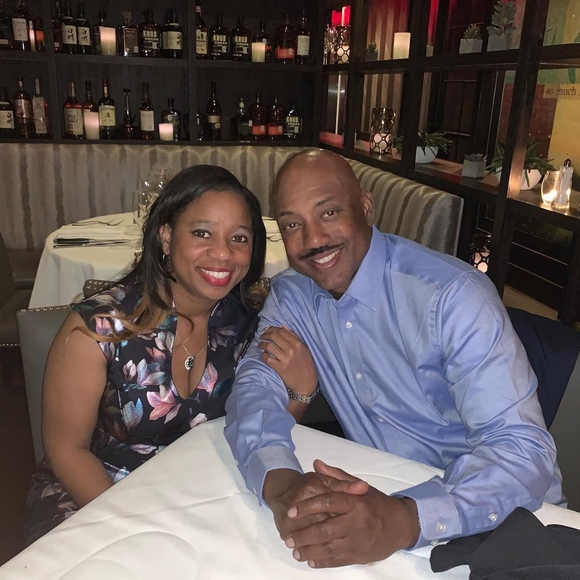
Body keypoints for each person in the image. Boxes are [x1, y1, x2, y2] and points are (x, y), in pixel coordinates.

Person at [224, 149, 565, 568]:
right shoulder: (293, 296)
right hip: (381, 495)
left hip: (507, 519)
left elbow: (523, 453)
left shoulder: (452, 297)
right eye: (293, 224)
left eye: (329, 212)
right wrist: (280, 482)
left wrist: (404, 518)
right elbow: (256, 386)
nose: (312, 240)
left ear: (366, 207)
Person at [24, 165, 315, 546]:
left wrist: (301, 391)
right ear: (165, 236)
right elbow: (66, 451)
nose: (223, 253)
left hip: (197, 496)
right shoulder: (100, 328)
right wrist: (136, 531)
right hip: (94, 495)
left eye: (239, 238)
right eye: (202, 233)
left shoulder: (247, 324)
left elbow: (258, 431)